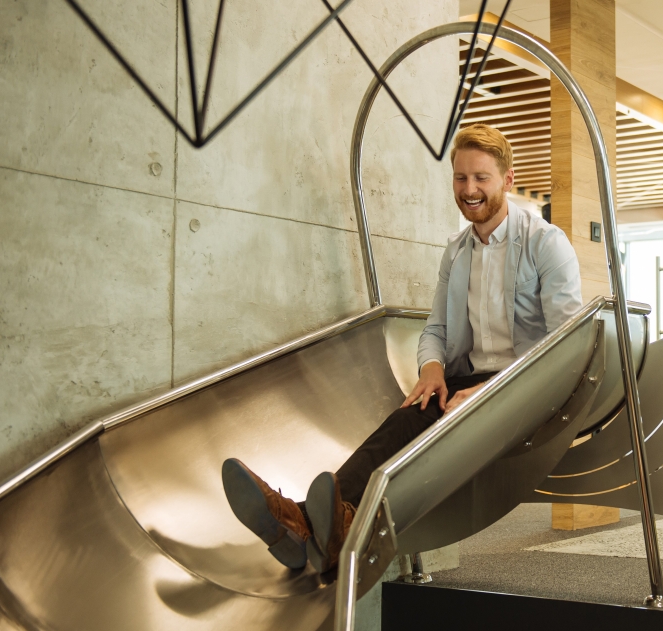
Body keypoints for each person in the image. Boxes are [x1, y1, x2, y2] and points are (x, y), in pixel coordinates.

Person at [221, 123, 583, 573]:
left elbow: (566, 343)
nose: (469, 190)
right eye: (460, 178)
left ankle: (313, 526)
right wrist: (431, 369)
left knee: (426, 444)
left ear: (507, 180)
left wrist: (496, 391)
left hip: (527, 384)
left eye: (481, 178)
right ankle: (312, 526)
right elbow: (435, 329)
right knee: (404, 421)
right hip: (466, 383)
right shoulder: (456, 252)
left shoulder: (546, 244)